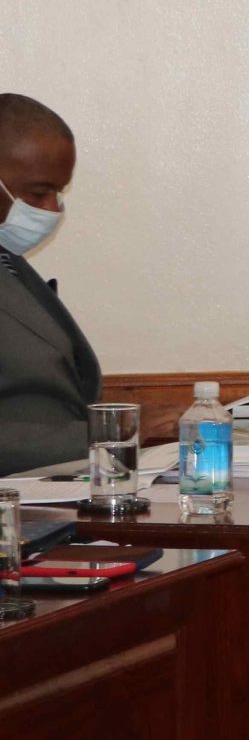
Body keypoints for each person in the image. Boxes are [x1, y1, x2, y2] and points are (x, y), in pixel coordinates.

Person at [0, 93, 98, 475]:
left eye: (58, 192)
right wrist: (111, 433)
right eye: (39, 192)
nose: (51, 209)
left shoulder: (10, 261)